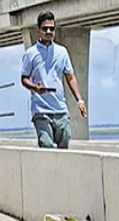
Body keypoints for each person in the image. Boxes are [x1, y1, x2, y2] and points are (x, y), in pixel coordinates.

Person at [21, 11, 88, 149]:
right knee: (46, 145)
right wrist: (34, 88)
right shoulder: (30, 53)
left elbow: (70, 77)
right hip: (40, 110)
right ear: (39, 30)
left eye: (51, 28)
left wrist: (80, 101)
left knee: (64, 143)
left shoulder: (62, 52)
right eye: (45, 28)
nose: (48, 32)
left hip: (60, 109)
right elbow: (24, 78)